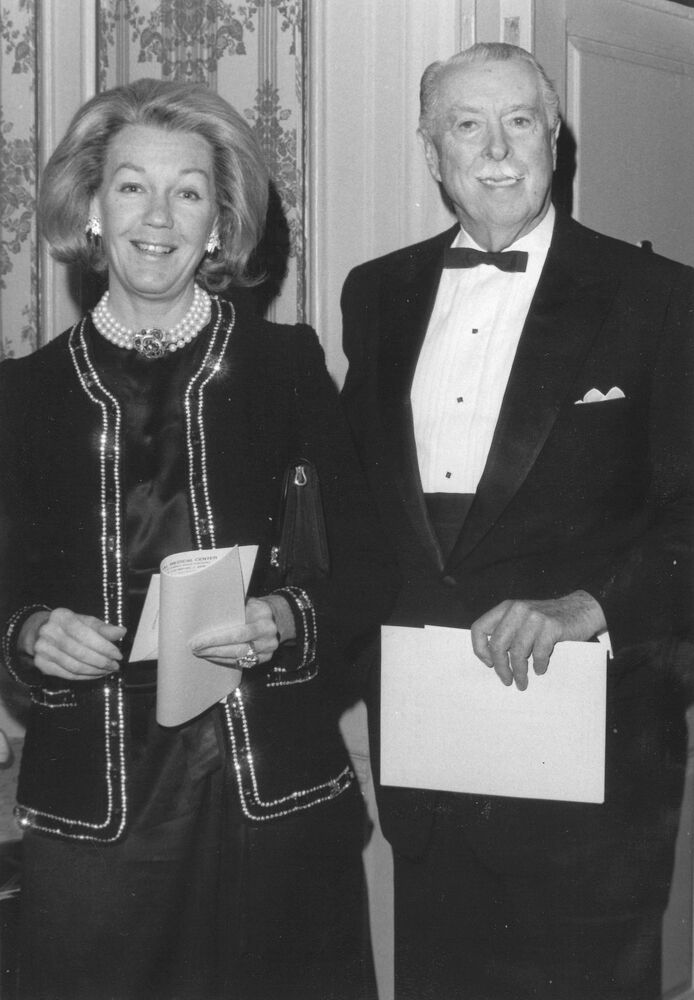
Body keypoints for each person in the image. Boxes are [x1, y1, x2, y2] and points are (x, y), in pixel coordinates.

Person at [0, 77, 393, 1000]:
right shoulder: (20, 395)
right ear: (91, 209)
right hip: (93, 811)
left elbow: (366, 563)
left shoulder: (286, 367)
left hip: (268, 795)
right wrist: (25, 631)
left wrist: (285, 617)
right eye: (132, 185)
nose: (158, 216)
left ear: (220, 225)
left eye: (189, 192)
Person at [341, 42, 694, 1000]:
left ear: (556, 137)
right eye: (467, 125)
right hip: (432, 748)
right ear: (431, 151)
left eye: (521, 122)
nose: (497, 150)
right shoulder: (374, 294)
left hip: (593, 754)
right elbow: (361, 510)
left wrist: (592, 604)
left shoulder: (661, 297)